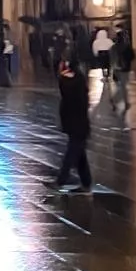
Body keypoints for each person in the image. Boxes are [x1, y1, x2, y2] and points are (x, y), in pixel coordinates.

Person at [54, 50, 93, 195]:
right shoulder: (77, 79)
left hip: (77, 124)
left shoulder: (74, 81)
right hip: (77, 124)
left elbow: (66, 91)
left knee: (71, 155)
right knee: (80, 155)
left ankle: (60, 181)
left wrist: (62, 77)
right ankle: (86, 184)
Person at [111, 30, 135, 128]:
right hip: (125, 69)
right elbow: (132, 57)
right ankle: (121, 101)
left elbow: (111, 59)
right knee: (124, 86)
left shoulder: (113, 47)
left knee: (121, 86)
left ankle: (116, 100)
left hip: (116, 69)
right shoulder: (127, 47)